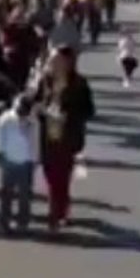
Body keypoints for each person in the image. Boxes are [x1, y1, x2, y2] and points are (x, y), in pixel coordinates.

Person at [35, 47, 95, 232]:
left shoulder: (79, 84)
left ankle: (55, 216)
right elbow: (36, 103)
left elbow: (89, 111)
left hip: (68, 136)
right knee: (51, 176)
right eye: (52, 61)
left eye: (58, 61)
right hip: (48, 135)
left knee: (61, 177)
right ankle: (61, 207)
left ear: (68, 63)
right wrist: (42, 110)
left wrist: (67, 114)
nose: (53, 65)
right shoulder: (45, 81)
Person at [0, 93, 39, 234]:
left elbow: (35, 142)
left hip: (26, 162)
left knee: (24, 195)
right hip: (10, 160)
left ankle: (22, 222)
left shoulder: (33, 122)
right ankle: (4, 222)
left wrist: (35, 159)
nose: (22, 117)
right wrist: (2, 154)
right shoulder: (6, 119)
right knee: (7, 193)